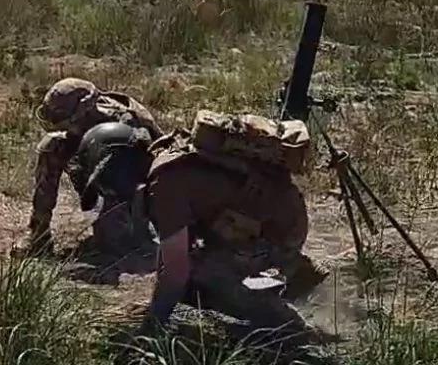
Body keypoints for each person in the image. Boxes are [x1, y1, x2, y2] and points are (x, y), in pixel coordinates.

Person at [130, 114, 329, 333]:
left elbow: (176, 271)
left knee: (198, 282)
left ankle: (290, 325)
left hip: (279, 229)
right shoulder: (167, 161)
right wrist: (156, 308)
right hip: (270, 215)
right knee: (188, 275)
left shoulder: (164, 187)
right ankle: (291, 266)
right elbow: (172, 252)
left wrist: (151, 327)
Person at [18, 78, 161, 255]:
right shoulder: (83, 124)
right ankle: (38, 234)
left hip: (133, 177)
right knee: (51, 147)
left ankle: (133, 225)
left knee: (112, 245)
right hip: (94, 158)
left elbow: (151, 170)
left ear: (83, 113)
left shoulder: (126, 128)